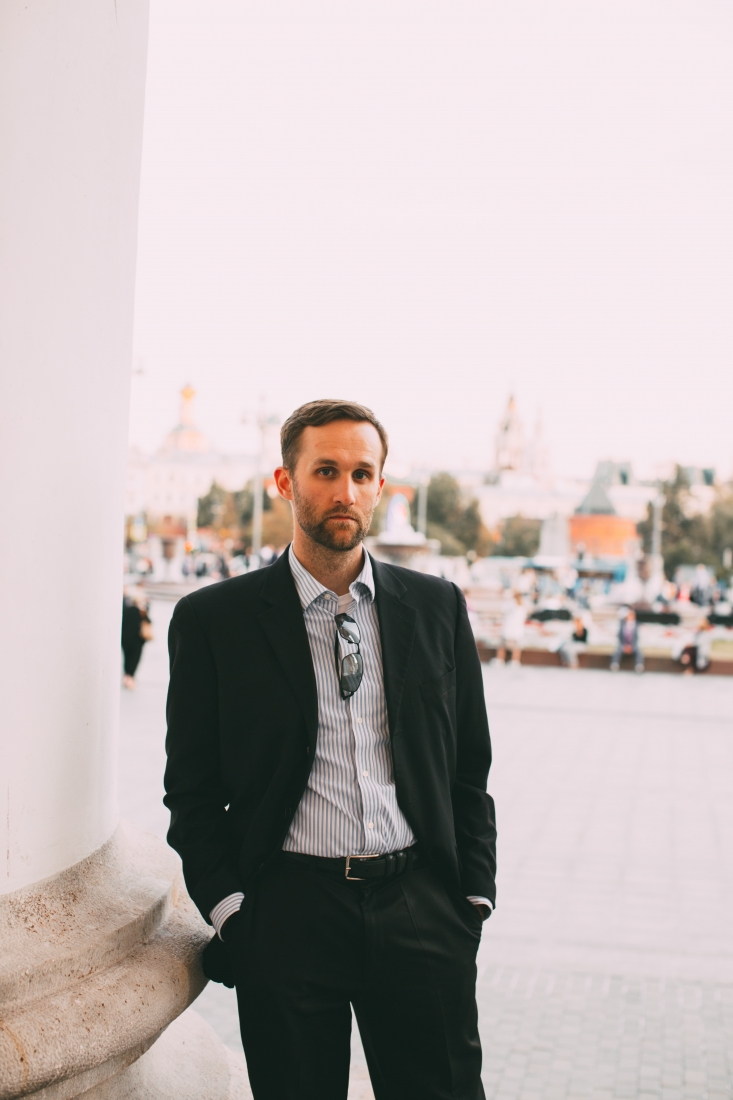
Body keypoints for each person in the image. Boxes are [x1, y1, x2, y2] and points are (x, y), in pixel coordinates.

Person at [164, 399, 496, 1100]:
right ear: (285, 483)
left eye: (360, 473)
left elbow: (469, 767)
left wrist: (471, 899)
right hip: (288, 918)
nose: (344, 491)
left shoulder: (437, 608)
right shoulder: (213, 621)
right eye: (324, 471)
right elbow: (191, 791)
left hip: (421, 910)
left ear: (380, 485)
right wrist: (234, 914)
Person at [121, 586, 152, 689]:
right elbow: (149, 621)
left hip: (125, 639)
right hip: (137, 640)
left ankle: (127, 676)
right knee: (134, 659)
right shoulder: (141, 611)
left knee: (127, 657)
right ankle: (130, 677)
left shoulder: (125, 609)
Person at [610, 607, 644, 673]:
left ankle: (639, 665)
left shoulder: (637, 624)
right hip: (623, 644)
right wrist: (624, 645)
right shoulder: (621, 624)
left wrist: (631, 646)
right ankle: (614, 665)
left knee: (638, 651)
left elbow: (637, 638)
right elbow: (619, 636)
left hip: (633, 644)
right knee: (617, 650)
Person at [497, 590, 525, 665]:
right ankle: (515, 661)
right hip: (517, 629)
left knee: (502, 646)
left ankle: (500, 659)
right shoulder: (521, 605)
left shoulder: (510, 603)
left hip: (508, 628)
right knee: (516, 648)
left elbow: (502, 610)